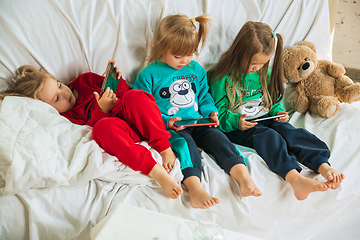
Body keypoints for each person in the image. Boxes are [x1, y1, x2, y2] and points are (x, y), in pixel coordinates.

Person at [134, 14, 261, 209]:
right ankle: (195, 188)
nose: (185, 60)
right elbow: (143, 109)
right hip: (173, 128)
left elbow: (204, 96)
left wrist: (211, 112)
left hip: (199, 121)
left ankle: (243, 177)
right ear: (161, 47)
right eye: (178, 56)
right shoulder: (149, 75)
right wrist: (166, 121)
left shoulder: (197, 70)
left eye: (190, 54)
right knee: (186, 146)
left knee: (219, 139)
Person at [0, 63, 183, 199]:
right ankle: (154, 170)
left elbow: (123, 91)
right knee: (103, 128)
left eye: (59, 86)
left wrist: (116, 81)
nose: (65, 93)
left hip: (136, 116)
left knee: (134, 96)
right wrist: (102, 110)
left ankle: (164, 148)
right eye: (56, 98)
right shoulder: (66, 117)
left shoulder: (85, 80)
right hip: (122, 132)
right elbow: (91, 129)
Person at [208, 21, 345, 201]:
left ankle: (322, 165)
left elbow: (273, 101)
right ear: (239, 52)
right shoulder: (222, 78)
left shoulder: (267, 73)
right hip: (239, 127)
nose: (256, 68)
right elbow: (219, 113)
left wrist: (279, 111)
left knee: (292, 132)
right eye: (253, 63)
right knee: (267, 136)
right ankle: (295, 179)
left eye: (261, 63)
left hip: (266, 117)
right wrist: (236, 121)